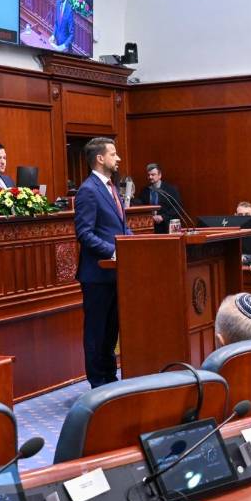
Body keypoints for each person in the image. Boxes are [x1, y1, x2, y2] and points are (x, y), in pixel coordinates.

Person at [74, 137, 130, 387]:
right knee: (97, 331)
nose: (118, 158)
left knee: (111, 330)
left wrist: (135, 242)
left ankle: (110, 377)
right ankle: (97, 382)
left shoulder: (111, 187)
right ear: (100, 158)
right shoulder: (88, 190)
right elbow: (84, 234)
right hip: (97, 274)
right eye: (113, 154)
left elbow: (121, 227)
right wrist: (115, 251)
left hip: (115, 273)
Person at [143, 163, 185, 233]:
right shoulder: (145, 191)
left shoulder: (170, 190)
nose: (150, 177)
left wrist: (163, 217)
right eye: (148, 175)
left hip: (166, 227)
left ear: (159, 175)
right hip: (150, 227)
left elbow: (177, 208)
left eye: (153, 175)